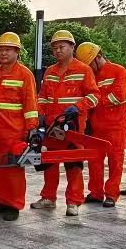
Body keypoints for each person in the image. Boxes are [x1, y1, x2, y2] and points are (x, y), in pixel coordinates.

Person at [32, 28, 97, 217]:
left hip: (73, 127)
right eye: (55, 48)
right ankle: (48, 198)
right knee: (49, 163)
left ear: (72, 47)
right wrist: (41, 116)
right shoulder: (50, 72)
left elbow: (94, 96)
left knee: (73, 164)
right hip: (52, 127)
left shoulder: (83, 70)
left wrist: (78, 107)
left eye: (62, 47)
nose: (58, 50)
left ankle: (74, 202)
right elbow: (42, 97)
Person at [0, 31, 38, 219]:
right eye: (0, 50)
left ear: (17, 52)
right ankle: (1, 200)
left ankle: (14, 205)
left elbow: (31, 104)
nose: (3, 53)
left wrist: (31, 128)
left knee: (14, 170)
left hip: (14, 132)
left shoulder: (25, 74)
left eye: (8, 50)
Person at [78, 40, 126, 208]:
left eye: (89, 64)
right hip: (96, 126)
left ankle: (112, 195)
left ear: (98, 57)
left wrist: (93, 101)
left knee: (115, 161)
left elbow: (118, 97)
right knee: (94, 161)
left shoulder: (118, 71)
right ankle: (96, 193)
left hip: (116, 126)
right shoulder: (90, 75)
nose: (88, 68)